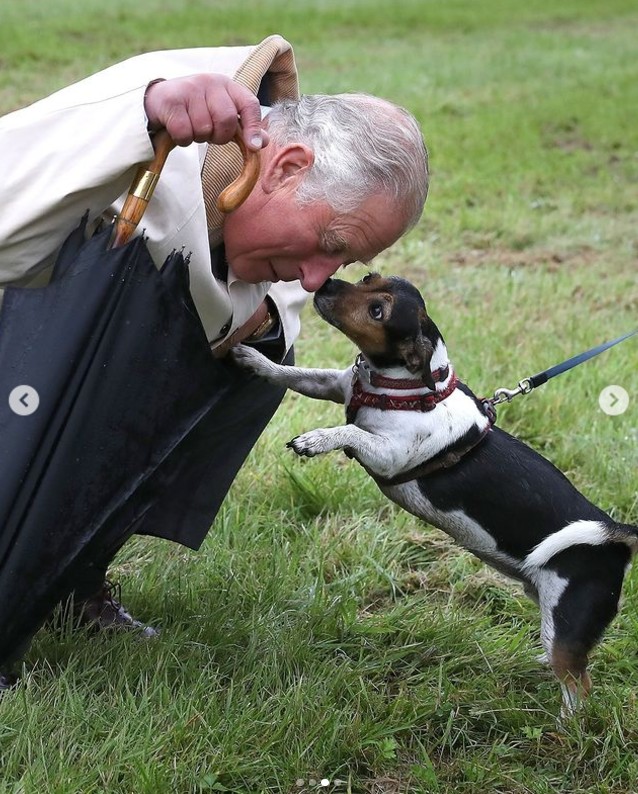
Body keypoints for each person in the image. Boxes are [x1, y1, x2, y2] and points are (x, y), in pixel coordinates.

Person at [0, 36, 428, 687]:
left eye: (342, 261)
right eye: (329, 243)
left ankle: (67, 570)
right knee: (114, 315)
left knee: (260, 361)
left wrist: (259, 319)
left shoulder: (261, 175)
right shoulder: (160, 108)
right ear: (285, 168)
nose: (318, 279)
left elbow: (267, 298)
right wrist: (142, 113)